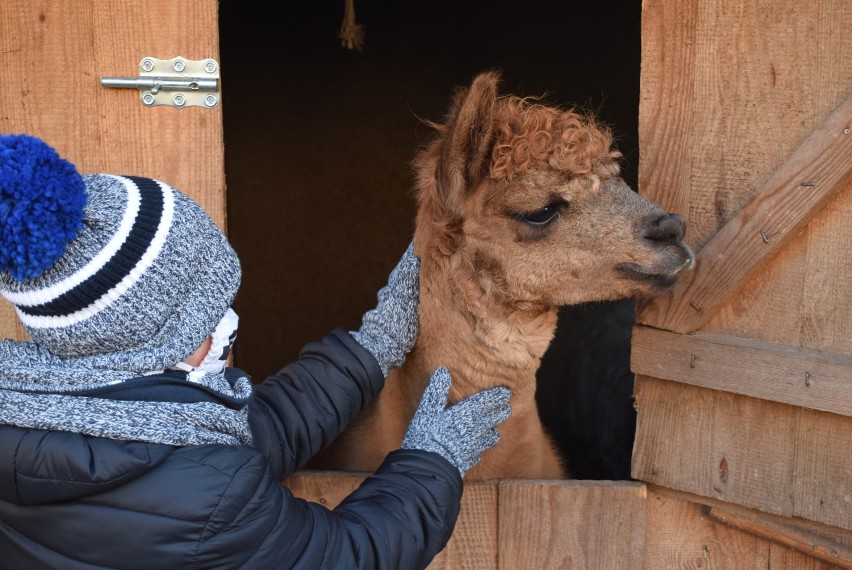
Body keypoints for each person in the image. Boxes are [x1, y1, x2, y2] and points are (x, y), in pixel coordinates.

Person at [0, 134, 512, 569]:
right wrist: (431, 462)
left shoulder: (43, 411)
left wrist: (372, 346)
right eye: (207, 315)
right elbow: (346, 557)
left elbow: (250, 433)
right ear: (155, 343)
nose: (229, 324)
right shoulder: (207, 497)